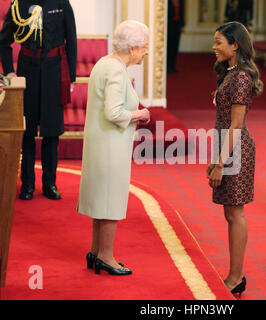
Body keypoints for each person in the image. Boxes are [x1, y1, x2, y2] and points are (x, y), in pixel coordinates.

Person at [77, 20, 150, 275]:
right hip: (110, 145)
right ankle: (106, 256)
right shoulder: (117, 70)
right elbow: (114, 112)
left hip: (102, 142)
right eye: (144, 48)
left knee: (102, 199)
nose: (146, 52)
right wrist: (140, 114)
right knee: (110, 201)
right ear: (132, 48)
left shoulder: (105, 63)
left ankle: (96, 251)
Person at [0, 0, 77, 200]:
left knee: (52, 132)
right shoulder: (19, 4)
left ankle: (50, 184)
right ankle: (27, 185)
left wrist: (72, 77)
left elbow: (72, 39)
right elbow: (4, 40)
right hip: (28, 71)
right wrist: (9, 71)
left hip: (55, 71)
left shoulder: (61, 2)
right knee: (27, 131)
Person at [208, 21, 262, 296]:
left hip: (236, 149)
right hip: (228, 147)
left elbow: (236, 124)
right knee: (230, 213)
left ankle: (236, 276)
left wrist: (221, 162)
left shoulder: (240, 77)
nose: (214, 47)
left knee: (235, 213)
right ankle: (235, 273)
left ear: (235, 45)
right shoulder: (230, 72)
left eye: (219, 42)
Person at [167, 0, 185, 73]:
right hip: (169, 26)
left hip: (177, 25)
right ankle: (167, 66)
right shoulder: (167, 2)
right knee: (169, 46)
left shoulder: (181, 1)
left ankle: (172, 66)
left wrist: (182, 25)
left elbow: (182, 13)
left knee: (175, 46)